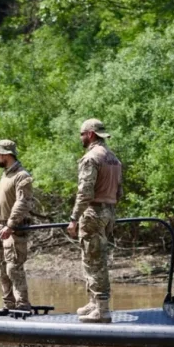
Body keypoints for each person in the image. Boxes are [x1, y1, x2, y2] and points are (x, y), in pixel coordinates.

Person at [67, 119, 123, 323]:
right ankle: (93, 302)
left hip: (93, 212)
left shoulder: (91, 158)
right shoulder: (114, 159)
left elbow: (84, 192)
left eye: (82, 134)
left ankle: (102, 309)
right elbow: (119, 191)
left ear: (90, 134)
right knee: (94, 257)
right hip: (109, 212)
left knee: (94, 261)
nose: (80, 138)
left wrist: (74, 218)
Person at [0, 139, 33, 311]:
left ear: (7, 155)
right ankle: (9, 305)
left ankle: (22, 305)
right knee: (1, 269)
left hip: (14, 230)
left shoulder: (22, 176)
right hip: (0, 228)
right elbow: (2, 203)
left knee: (13, 268)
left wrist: (10, 224)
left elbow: (22, 203)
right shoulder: (6, 175)